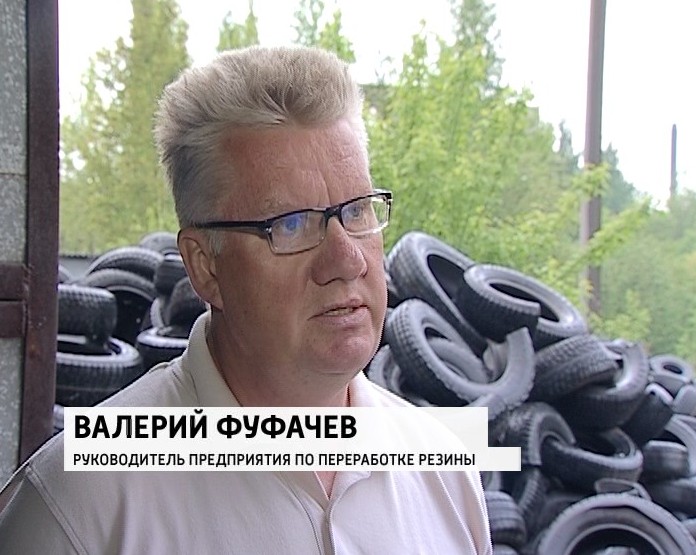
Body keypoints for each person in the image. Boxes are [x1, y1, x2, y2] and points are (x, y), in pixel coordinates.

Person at [0, 45, 492, 554]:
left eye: (357, 211)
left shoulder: (445, 474)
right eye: (291, 224)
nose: (347, 260)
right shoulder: (77, 511)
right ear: (205, 266)